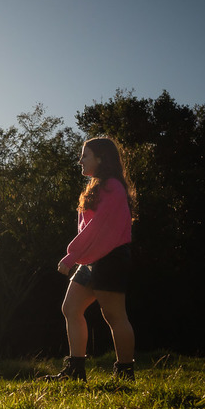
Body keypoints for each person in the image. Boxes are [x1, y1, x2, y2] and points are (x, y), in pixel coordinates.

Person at [46, 136, 135, 382]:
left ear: (100, 158)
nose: (80, 160)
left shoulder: (113, 187)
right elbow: (86, 228)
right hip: (92, 259)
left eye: (85, 155)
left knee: (114, 316)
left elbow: (96, 228)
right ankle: (75, 370)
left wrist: (72, 255)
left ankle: (125, 374)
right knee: (71, 308)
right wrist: (80, 256)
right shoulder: (96, 187)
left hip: (112, 258)